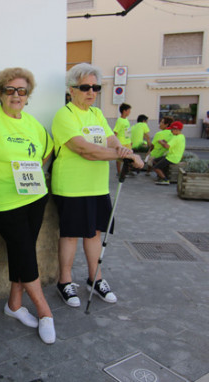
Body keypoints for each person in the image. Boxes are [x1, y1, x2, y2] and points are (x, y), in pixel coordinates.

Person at [0, 67, 56, 344]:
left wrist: (31, 170)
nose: (16, 95)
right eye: (10, 90)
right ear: (0, 93)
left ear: (28, 96)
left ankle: (14, 305)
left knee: (24, 249)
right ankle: (45, 311)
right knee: (24, 250)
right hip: (4, 200)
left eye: (22, 91)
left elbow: (47, 150)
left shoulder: (32, 124)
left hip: (35, 196)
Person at [51, 63, 143, 309]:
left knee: (95, 233)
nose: (91, 92)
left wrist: (125, 151)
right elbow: (84, 149)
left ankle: (96, 278)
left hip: (97, 186)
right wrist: (120, 156)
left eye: (96, 87)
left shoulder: (97, 114)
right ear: (71, 90)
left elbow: (112, 140)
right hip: (71, 186)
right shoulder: (65, 115)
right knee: (70, 235)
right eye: (85, 87)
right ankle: (65, 281)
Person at [152, 121, 186, 185]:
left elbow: (166, 146)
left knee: (156, 167)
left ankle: (165, 179)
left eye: (172, 129)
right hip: (174, 156)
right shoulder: (182, 136)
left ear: (176, 129)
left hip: (172, 158)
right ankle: (162, 175)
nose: (171, 131)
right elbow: (171, 144)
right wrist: (165, 142)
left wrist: (161, 142)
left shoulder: (176, 137)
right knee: (155, 161)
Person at [113, 103, 132, 175]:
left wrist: (130, 141)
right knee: (119, 158)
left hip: (127, 142)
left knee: (129, 157)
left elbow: (128, 131)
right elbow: (115, 132)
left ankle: (127, 170)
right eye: (129, 110)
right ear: (124, 111)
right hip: (121, 142)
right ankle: (119, 172)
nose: (129, 112)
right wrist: (114, 142)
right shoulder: (120, 121)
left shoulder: (126, 120)